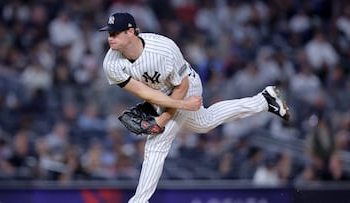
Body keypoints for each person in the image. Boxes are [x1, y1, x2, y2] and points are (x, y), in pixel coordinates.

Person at [99, 12, 290, 203]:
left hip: (186, 86)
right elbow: (146, 94)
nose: (110, 38)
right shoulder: (111, 63)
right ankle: (264, 100)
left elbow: (181, 87)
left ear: (131, 32)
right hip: (164, 96)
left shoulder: (163, 48)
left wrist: (163, 119)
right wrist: (171, 109)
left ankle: (139, 201)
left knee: (156, 144)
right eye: (109, 33)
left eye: (115, 33)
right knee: (204, 123)